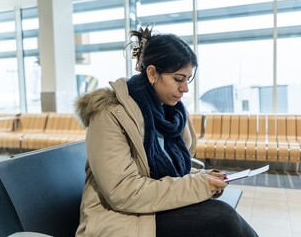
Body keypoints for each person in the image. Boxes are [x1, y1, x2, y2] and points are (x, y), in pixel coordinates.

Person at [75, 25, 258, 237]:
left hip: (152, 209)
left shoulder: (169, 113)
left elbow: (169, 173)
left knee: (223, 219)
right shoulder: (109, 114)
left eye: (187, 80)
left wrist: (205, 177)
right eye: (178, 79)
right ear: (152, 73)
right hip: (122, 218)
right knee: (223, 219)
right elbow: (122, 191)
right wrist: (198, 184)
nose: (185, 89)